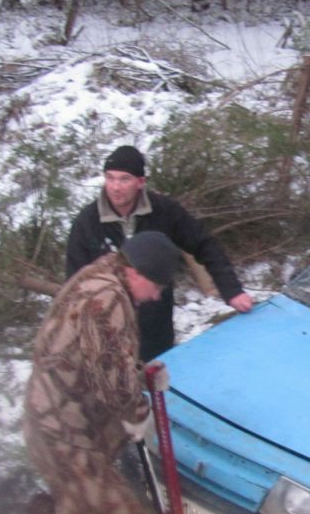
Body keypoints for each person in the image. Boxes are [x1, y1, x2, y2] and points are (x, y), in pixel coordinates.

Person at [22, 231, 196, 514]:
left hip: (53, 423)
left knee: (81, 508)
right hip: (68, 438)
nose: (155, 297)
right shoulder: (110, 300)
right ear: (136, 273)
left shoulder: (99, 275)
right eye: (155, 288)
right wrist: (137, 410)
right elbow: (113, 379)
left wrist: (141, 376)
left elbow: (97, 357)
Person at [66, 145, 253, 360]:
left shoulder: (164, 211)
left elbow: (204, 244)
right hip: (108, 332)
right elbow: (75, 282)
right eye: (110, 178)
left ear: (140, 182)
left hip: (156, 327)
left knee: (157, 386)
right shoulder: (87, 222)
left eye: (124, 179)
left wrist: (232, 290)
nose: (115, 187)